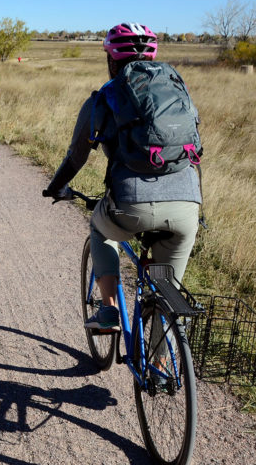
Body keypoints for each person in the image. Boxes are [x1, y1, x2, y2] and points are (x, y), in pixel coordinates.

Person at [42, 22, 202, 331]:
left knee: (101, 228)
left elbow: (77, 155)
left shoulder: (102, 98)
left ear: (112, 60)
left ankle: (109, 310)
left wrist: (56, 187)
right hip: (186, 207)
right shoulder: (176, 94)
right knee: (166, 294)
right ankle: (159, 371)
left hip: (130, 207)